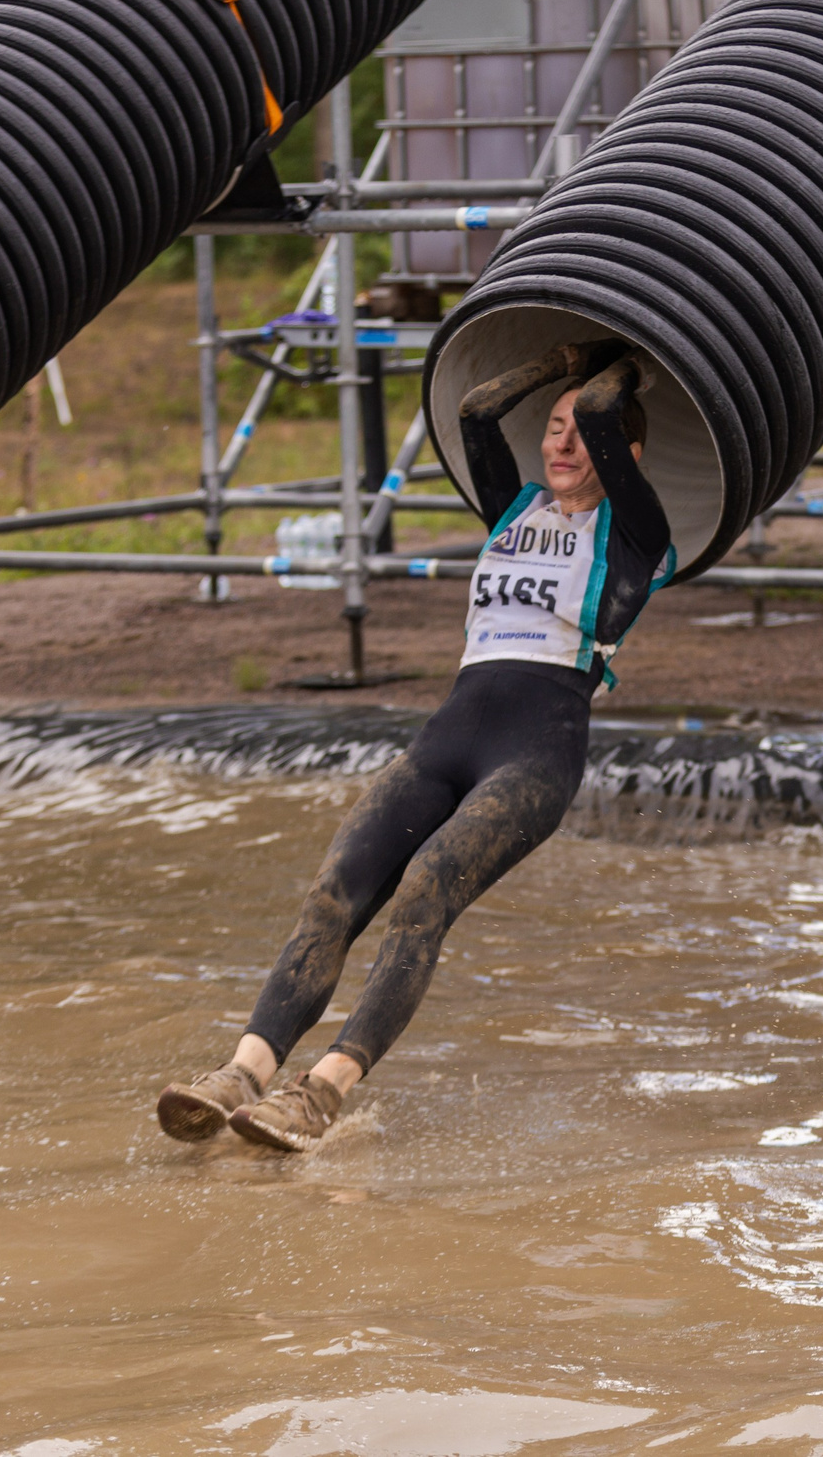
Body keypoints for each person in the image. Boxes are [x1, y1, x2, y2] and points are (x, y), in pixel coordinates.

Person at [153, 339, 673, 1152]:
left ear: (626, 456)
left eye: (580, 433)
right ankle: (240, 1074)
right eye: (554, 429)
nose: (563, 443)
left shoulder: (637, 531)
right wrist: (556, 360)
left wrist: (619, 362)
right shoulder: (514, 507)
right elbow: (475, 411)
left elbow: (609, 410)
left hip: (535, 752)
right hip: (450, 735)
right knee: (336, 890)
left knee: (426, 888)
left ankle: (320, 1093)